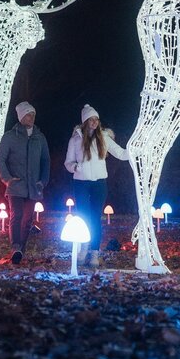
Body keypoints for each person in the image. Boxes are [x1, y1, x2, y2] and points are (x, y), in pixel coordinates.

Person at [64, 104, 128, 268]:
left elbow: (121, 153)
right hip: (81, 183)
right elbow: (68, 162)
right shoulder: (76, 139)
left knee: (95, 218)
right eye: (91, 119)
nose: (94, 122)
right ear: (85, 121)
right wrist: (76, 167)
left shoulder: (104, 138)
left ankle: (94, 252)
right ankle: (84, 248)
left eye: (96, 119)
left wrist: (135, 151)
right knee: (83, 217)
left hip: (99, 183)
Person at [0, 101, 50, 264]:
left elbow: (45, 160)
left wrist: (43, 180)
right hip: (16, 185)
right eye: (27, 115)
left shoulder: (39, 137)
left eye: (33, 115)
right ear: (20, 117)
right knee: (17, 215)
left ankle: (21, 250)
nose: (31, 117)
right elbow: (0, 159)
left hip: (34, 186)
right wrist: (7, 178)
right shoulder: (10, 137)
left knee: (28, 219)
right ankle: (16, 247)